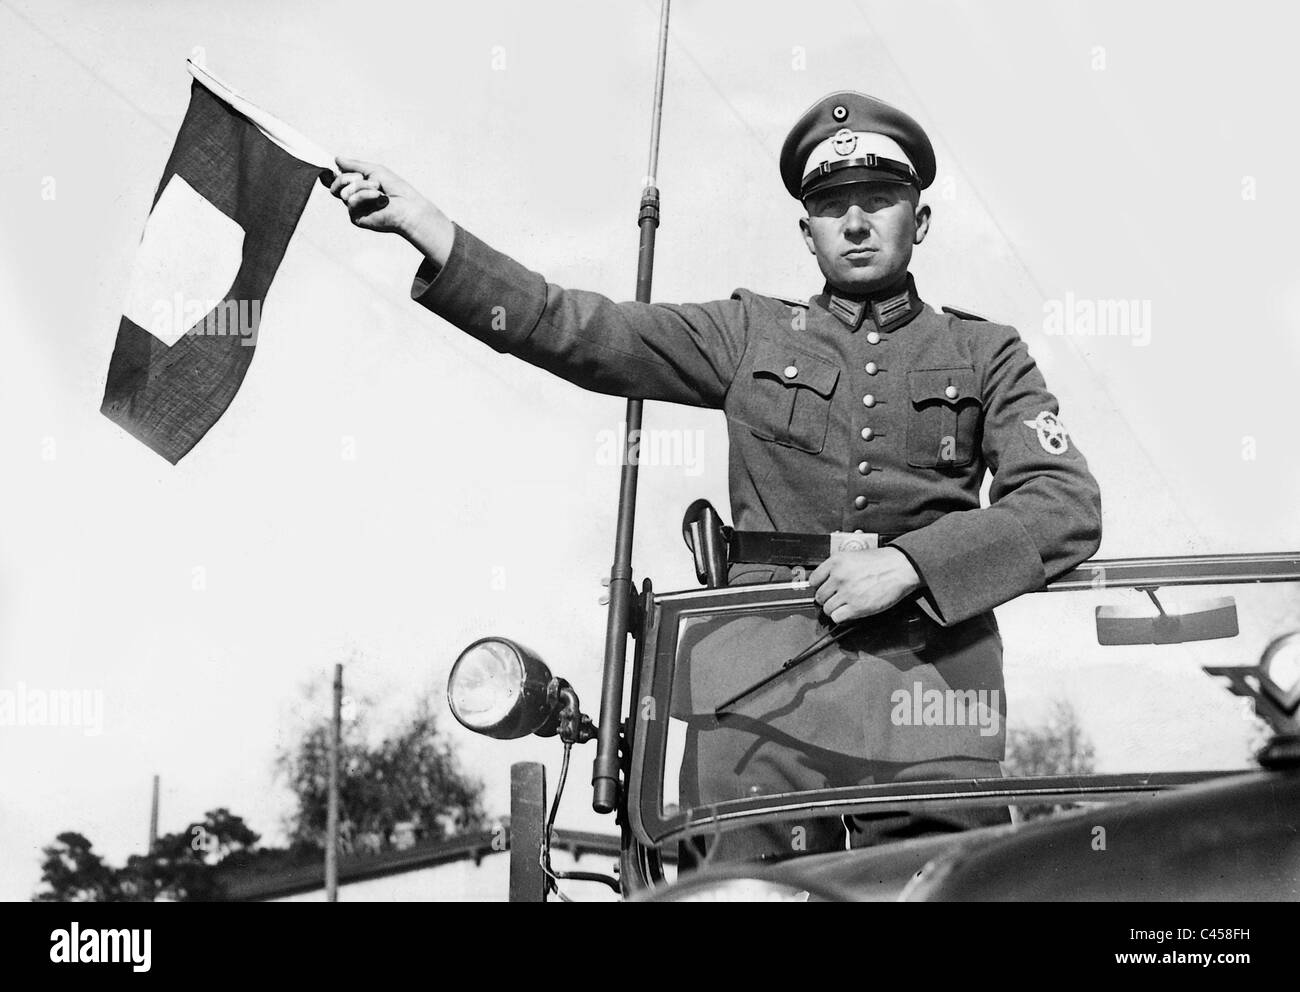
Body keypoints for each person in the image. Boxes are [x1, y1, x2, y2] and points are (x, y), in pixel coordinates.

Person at [327, 91, 1103, 862]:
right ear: (807, 231)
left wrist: (907, 565)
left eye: (879, 200)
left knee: (946, 887)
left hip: (930, 701)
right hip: (758, 704)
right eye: (834, 206)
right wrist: (428, 229)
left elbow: (1063, 502)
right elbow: (580, 328)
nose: (857, 223)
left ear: (920, 221)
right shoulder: (750, 334)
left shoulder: (986, 353)